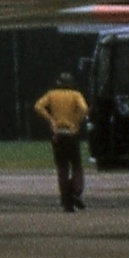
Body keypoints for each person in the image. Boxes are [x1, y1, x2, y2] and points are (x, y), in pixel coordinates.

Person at [34, 73, 89, 212]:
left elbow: (38, 106)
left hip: (58, 134)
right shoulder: (76, 94)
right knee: (77, 165)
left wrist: (51, 119)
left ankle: (65, 199)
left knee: (62, 167)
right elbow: (84, 108)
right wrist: (75, 121)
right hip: (72, 133)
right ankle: (76, 191)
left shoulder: (52, 94)